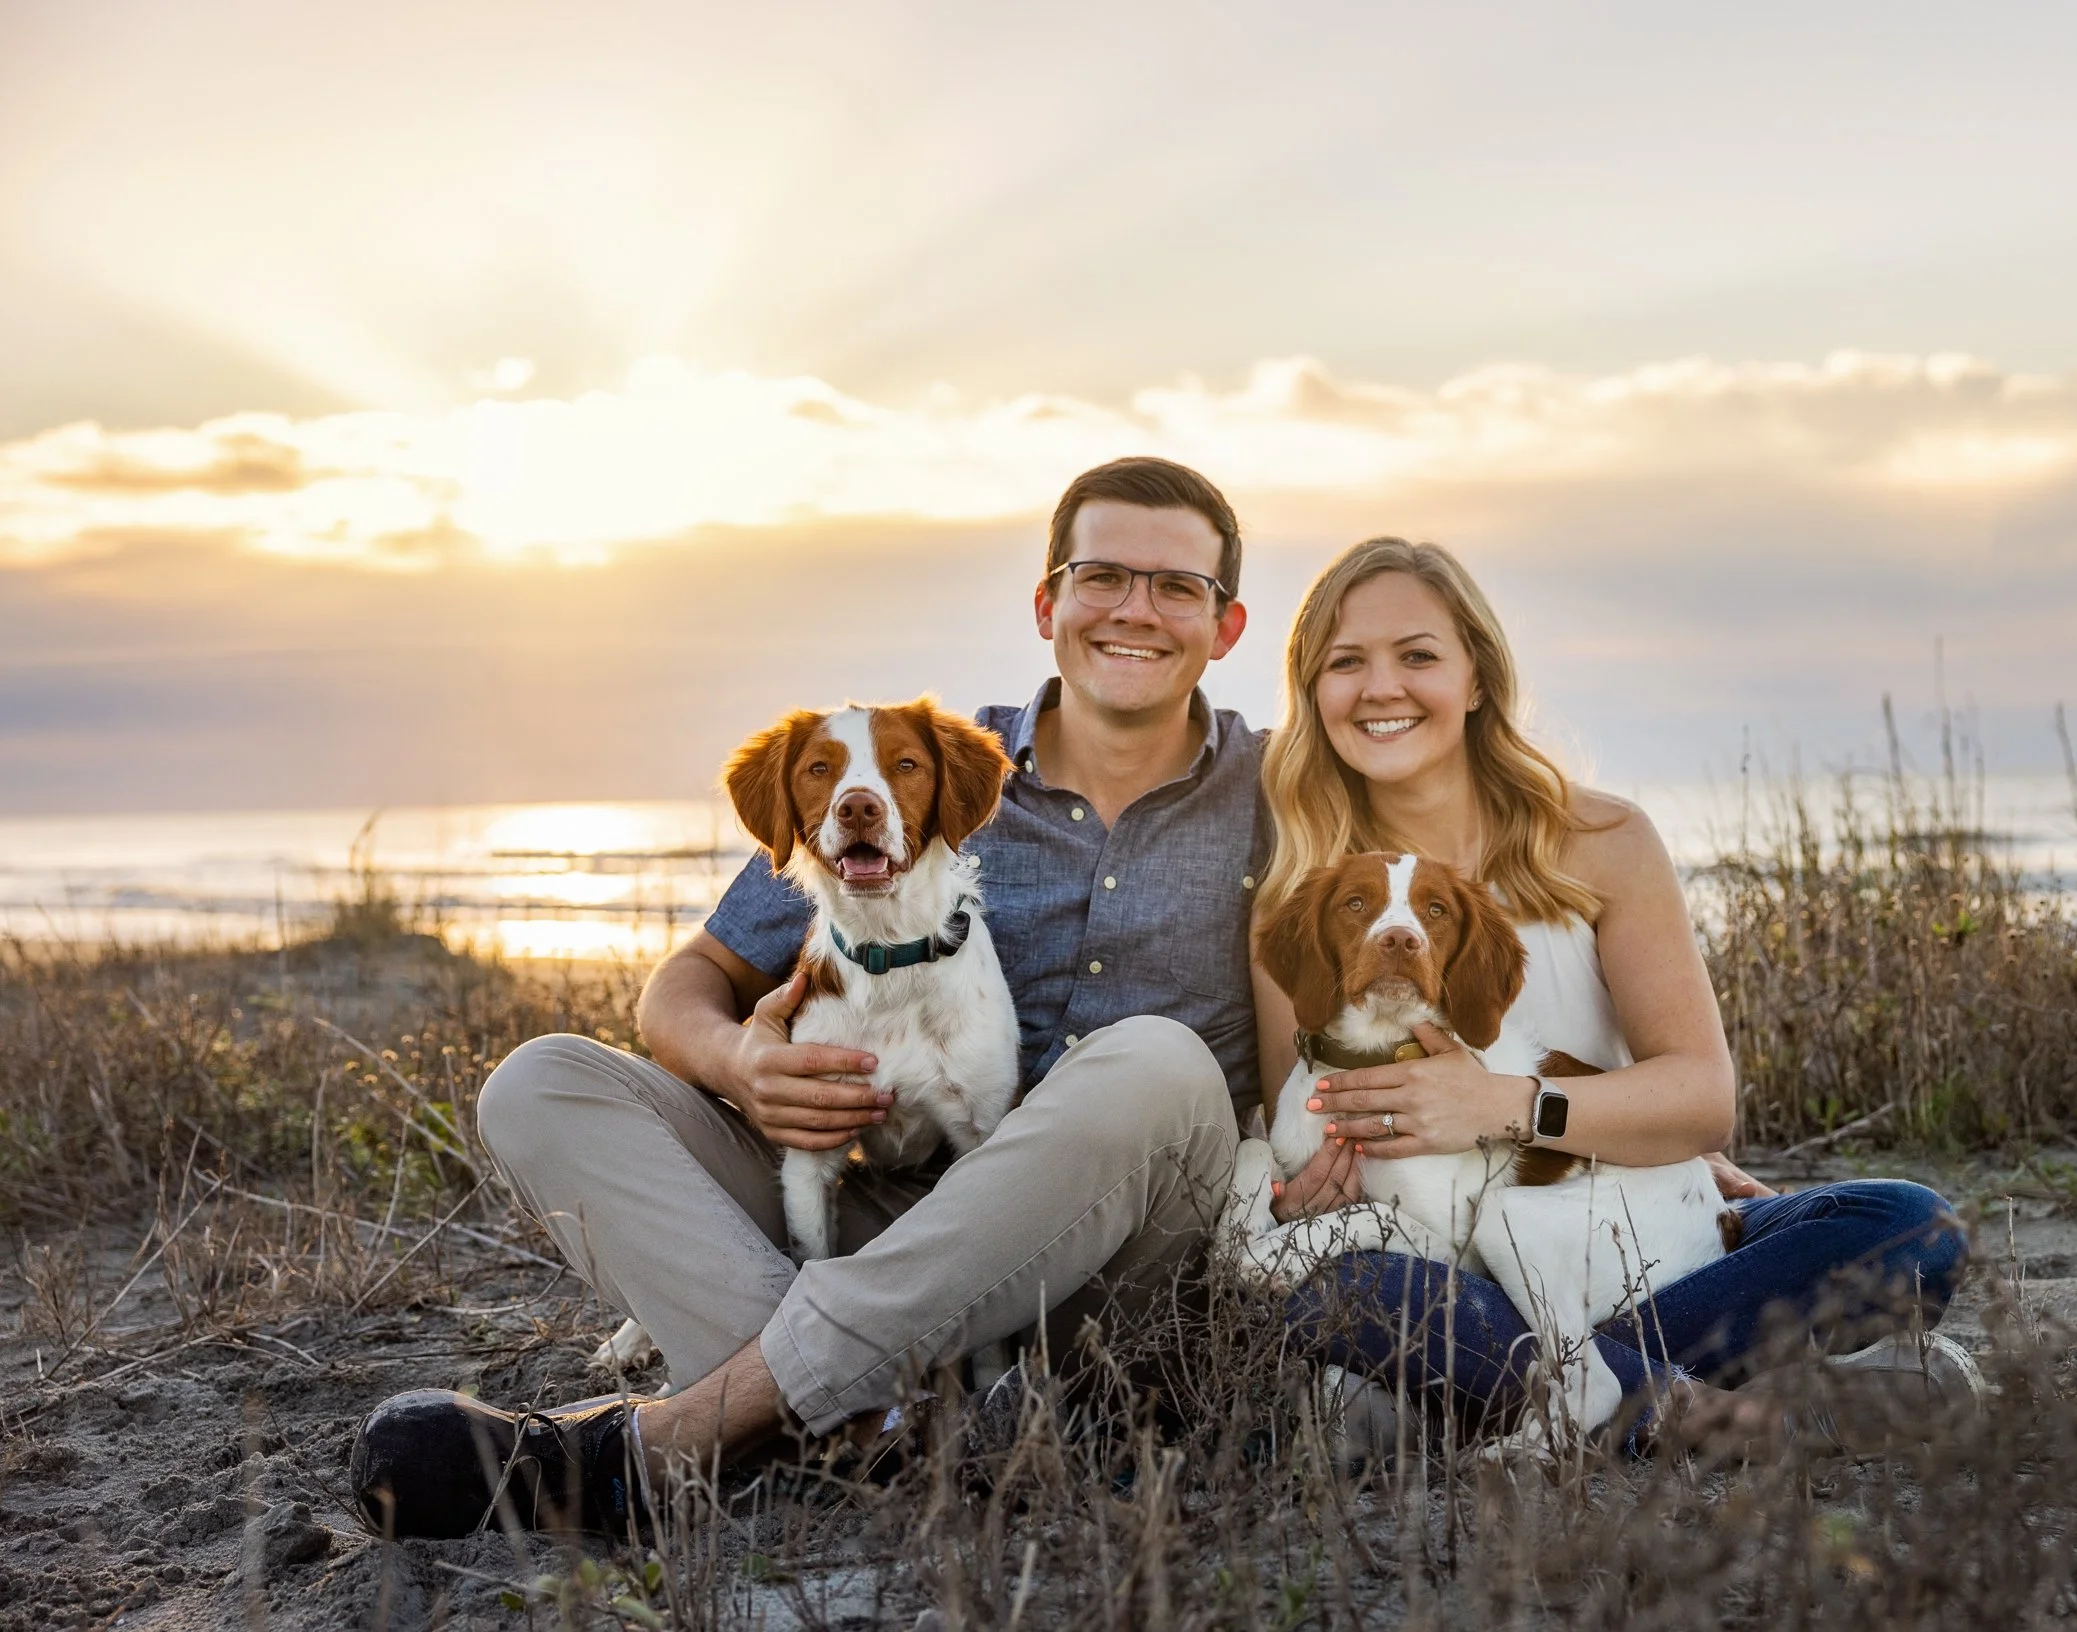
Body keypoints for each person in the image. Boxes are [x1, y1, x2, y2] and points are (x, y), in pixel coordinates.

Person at [350, 456, 1268, 1537]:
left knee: (1156, 1061)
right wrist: (739, 1063)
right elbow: (686, 985)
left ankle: (702, 1428)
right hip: (878, 1212)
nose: (1134, 609)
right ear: (1046, 604)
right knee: (539, 1083)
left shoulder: (1281, 792)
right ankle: (875, 1421)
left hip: (1112, 1262)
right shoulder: (901, 766)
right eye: (1100, 575)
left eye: (1176, 587)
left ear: (1225, 626)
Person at [1250, 538, 1977, 1457]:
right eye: (1345, 662)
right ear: (1313, 692)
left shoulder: (1600, 839)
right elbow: (1308, 1133)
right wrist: (1303, 1199)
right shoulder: (1304, 900)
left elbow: (1701, 1099)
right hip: (1446, 1267)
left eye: (1418, 655)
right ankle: (1721, 1411)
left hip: (1629, 1233)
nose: (1381, 687)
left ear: (1477, 679)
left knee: (1908, 1226)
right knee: (1349, 1293)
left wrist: (1510, 1107)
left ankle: (1539, 1389)